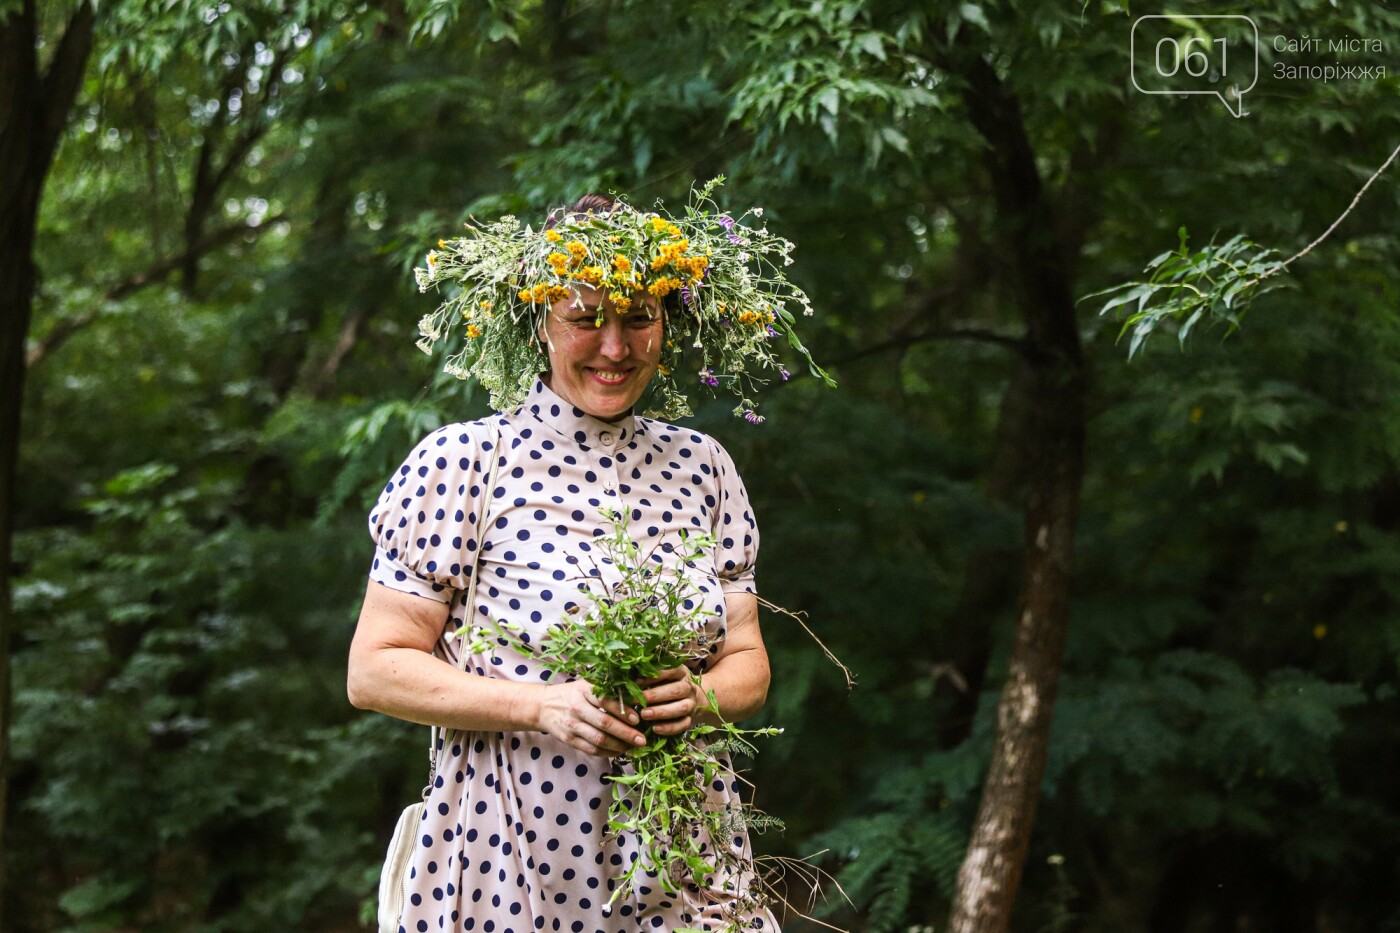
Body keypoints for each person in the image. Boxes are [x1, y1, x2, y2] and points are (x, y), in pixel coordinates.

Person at [348, 187, 830, 933]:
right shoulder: (464, 462)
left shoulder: (703, 466)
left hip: (686, 858)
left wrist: (701, 699)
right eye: (586, 318)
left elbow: (749, 664)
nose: (615, 347)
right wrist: (539, 704)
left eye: (639, 318)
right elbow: (374, 668)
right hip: (510, 865)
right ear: (540, 321)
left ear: (668, 322)